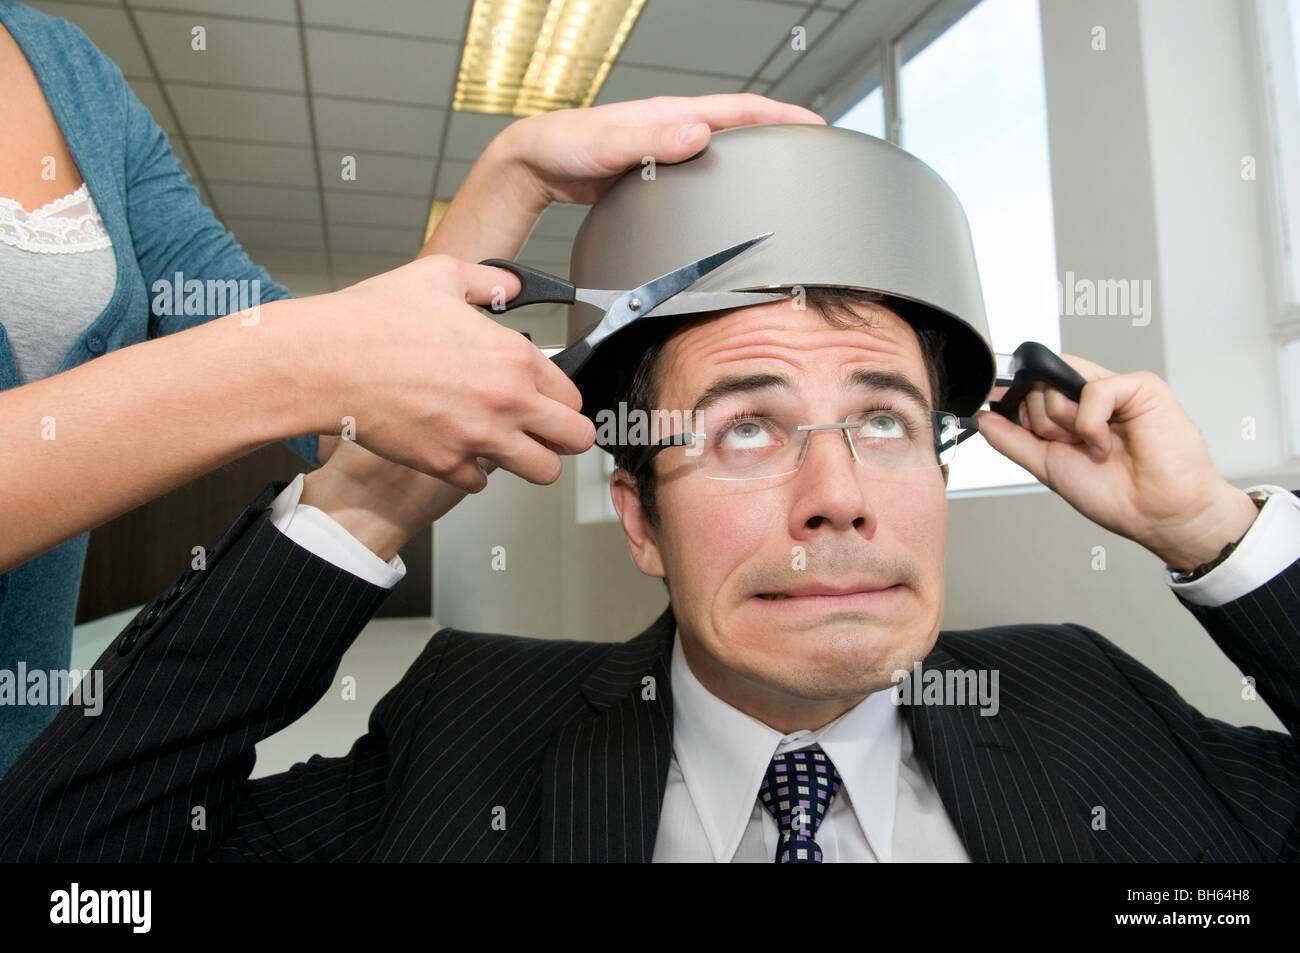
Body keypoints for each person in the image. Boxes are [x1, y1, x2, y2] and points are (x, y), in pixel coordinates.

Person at [2, 127, 1297, 863]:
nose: (837, 493)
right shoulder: (467, 738)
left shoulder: (1092, 709)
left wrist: (1214, 534)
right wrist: (368, 497)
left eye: (886, 422)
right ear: (639, 517)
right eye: (745, 431)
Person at [0, 0, 824, 777]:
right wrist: (294, 367)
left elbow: (345, 417)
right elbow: (315, 370)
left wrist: (515, 174)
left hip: (22, 761)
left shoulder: (74, 74)